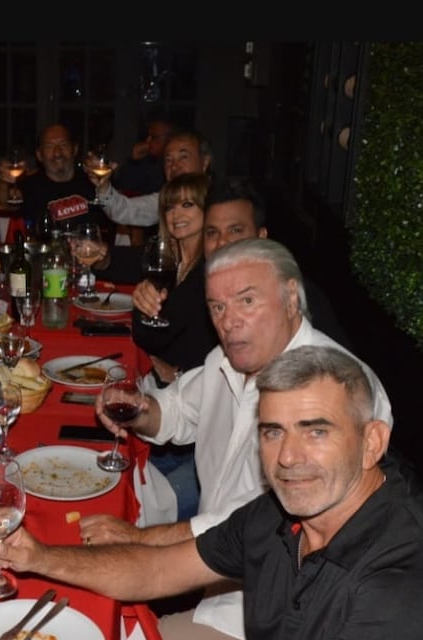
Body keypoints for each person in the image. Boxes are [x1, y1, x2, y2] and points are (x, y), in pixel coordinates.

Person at [0, 345, 422, 640]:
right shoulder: (278, 514)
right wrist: (39, 557)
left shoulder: (396, 589)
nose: (288, 457)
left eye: (316, 432)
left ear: (372, 443)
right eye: (273, 432)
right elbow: (156, 571)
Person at [81, 237, 393, 639]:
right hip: (214, 580)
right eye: (218, 307)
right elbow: (175, 412)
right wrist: (135, 407)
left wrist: (139, 538)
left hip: (276, 614)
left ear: (292, 298)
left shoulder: (342, 387)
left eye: (247, 301)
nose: (229, 321)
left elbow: (254, 527)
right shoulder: (225, 361)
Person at [131, 172, 217, 521]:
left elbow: (170, 337)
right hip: (170, 404)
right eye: (169, 206)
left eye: (188, 204)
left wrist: (175, 369)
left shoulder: (210, 273)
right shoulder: (171, 263)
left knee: (137, 501)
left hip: (197, 432)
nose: (175, 213)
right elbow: (149, 334)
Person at [200, 176, 351, 349]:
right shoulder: (198, 288)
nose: (221, 242)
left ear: (261, 236)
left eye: (235, 230)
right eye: (212, 233)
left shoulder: (297, 295)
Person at [0, 123, 117, 243]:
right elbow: (1, 204)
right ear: (39, 155)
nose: (57, 153)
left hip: (88, 256)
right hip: (44, 257)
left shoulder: (93, 181)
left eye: (63, 145)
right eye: (49, 146)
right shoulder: (30, 184)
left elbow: (117, 214)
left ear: (75, 149)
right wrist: (3, 182)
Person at [89, 128, 214, 230]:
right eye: (168, 160)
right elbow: (123, 210)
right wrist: (104, 186)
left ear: (204, 162)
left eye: (183, 157)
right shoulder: (165, 199)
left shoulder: (220, 199)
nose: (174, 166)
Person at [112, 110, 177, 196]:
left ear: (170, 138)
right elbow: (122, 186)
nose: (148, 141)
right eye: (148, 136)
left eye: (154, 137)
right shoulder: (147, 161)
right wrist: (134, 161)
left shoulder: (176, 164)